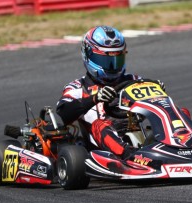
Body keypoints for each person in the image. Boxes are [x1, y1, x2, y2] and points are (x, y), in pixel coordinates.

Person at [56, 26, 165, 160]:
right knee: (99, 125)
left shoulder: (134, 81)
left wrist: (159, 93)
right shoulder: (78, 87)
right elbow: (64, 112)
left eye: (117, 60)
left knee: (178, 112)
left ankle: (187, 147)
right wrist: (95, 98)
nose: (113, 67)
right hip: (99, 146)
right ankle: (131, 157)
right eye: (106, 61)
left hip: (137, 135)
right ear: (88, 55)